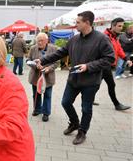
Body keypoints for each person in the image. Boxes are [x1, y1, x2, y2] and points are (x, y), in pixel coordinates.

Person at [35, 11, 115, 145]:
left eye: (78, 22)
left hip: (90, 81)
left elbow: (110, 58)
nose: (75, 24)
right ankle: (74, 122)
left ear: (87, 23)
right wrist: (42, 60)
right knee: (65, 102)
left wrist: (89, 66)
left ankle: (82, 132)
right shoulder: (74, 39)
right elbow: (59, 53)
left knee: (86, 108)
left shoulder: (101, 39)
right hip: (74, 80)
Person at [28, 33, 59, 122]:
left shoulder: (53, 48)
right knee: (36, 94)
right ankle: (37, 109)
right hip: (35, 76)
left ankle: (46, 113)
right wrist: (35, 65)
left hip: (48, 76)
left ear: (46, 41)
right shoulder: (33, 48)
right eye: (38, 40)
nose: (39, 42)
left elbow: (57, 62)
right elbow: (28, 60)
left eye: (42, 41)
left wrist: (49, 68)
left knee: (47, 95)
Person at [102, 18, 131, 110]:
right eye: (119, 26)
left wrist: (126, 59)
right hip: (103, 65)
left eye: (122, 26)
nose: (121, 28)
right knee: (111, 84)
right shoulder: (104, 37)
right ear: (113, 26)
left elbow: (118, 49)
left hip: (108, 65)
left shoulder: (114, 37)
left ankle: (88, 99)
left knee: (96, 84)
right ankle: (117, 104)